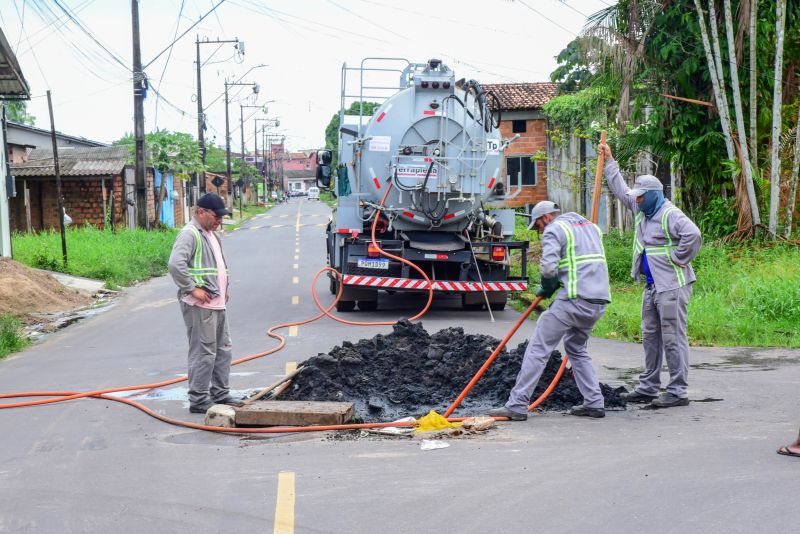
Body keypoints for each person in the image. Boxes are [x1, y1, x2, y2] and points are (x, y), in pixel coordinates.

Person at [598, 142, 702, 408]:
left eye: (642, 196)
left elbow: (693, 235)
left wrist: (677, 259)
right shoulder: (642, 209)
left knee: (673, 337)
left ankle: (678, 391)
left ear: (655, 194)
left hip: (672, 287)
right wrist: (609, 160)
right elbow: (621, 191)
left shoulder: (670, 214)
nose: (637, 199)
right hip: (652, 287)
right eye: (638, 196)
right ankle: (649, 387)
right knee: (650, 336)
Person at [489, 201, 611, 421]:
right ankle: (594, 402)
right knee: (576, 347)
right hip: (598, 301)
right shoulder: (591, 227)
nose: (540, 231)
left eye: (538, 226)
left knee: (538, 348)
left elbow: (548, 268)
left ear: (545, 218)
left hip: (574, 299)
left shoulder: (555, 228)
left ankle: (516, 405)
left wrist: (547, 286)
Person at [168, 193, 243, 413]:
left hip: (217, 304)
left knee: (222, 350)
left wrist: (224, 289)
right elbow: (175, 264)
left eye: (221, 217)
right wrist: (192, 288)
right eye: (216, 216)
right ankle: (199, 399)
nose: (219, 221)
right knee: (204, 352)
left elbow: (216, 266)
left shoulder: (210, 234)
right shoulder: (190, 234)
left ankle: (220, 393)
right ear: (201, 212)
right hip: (200, 307)